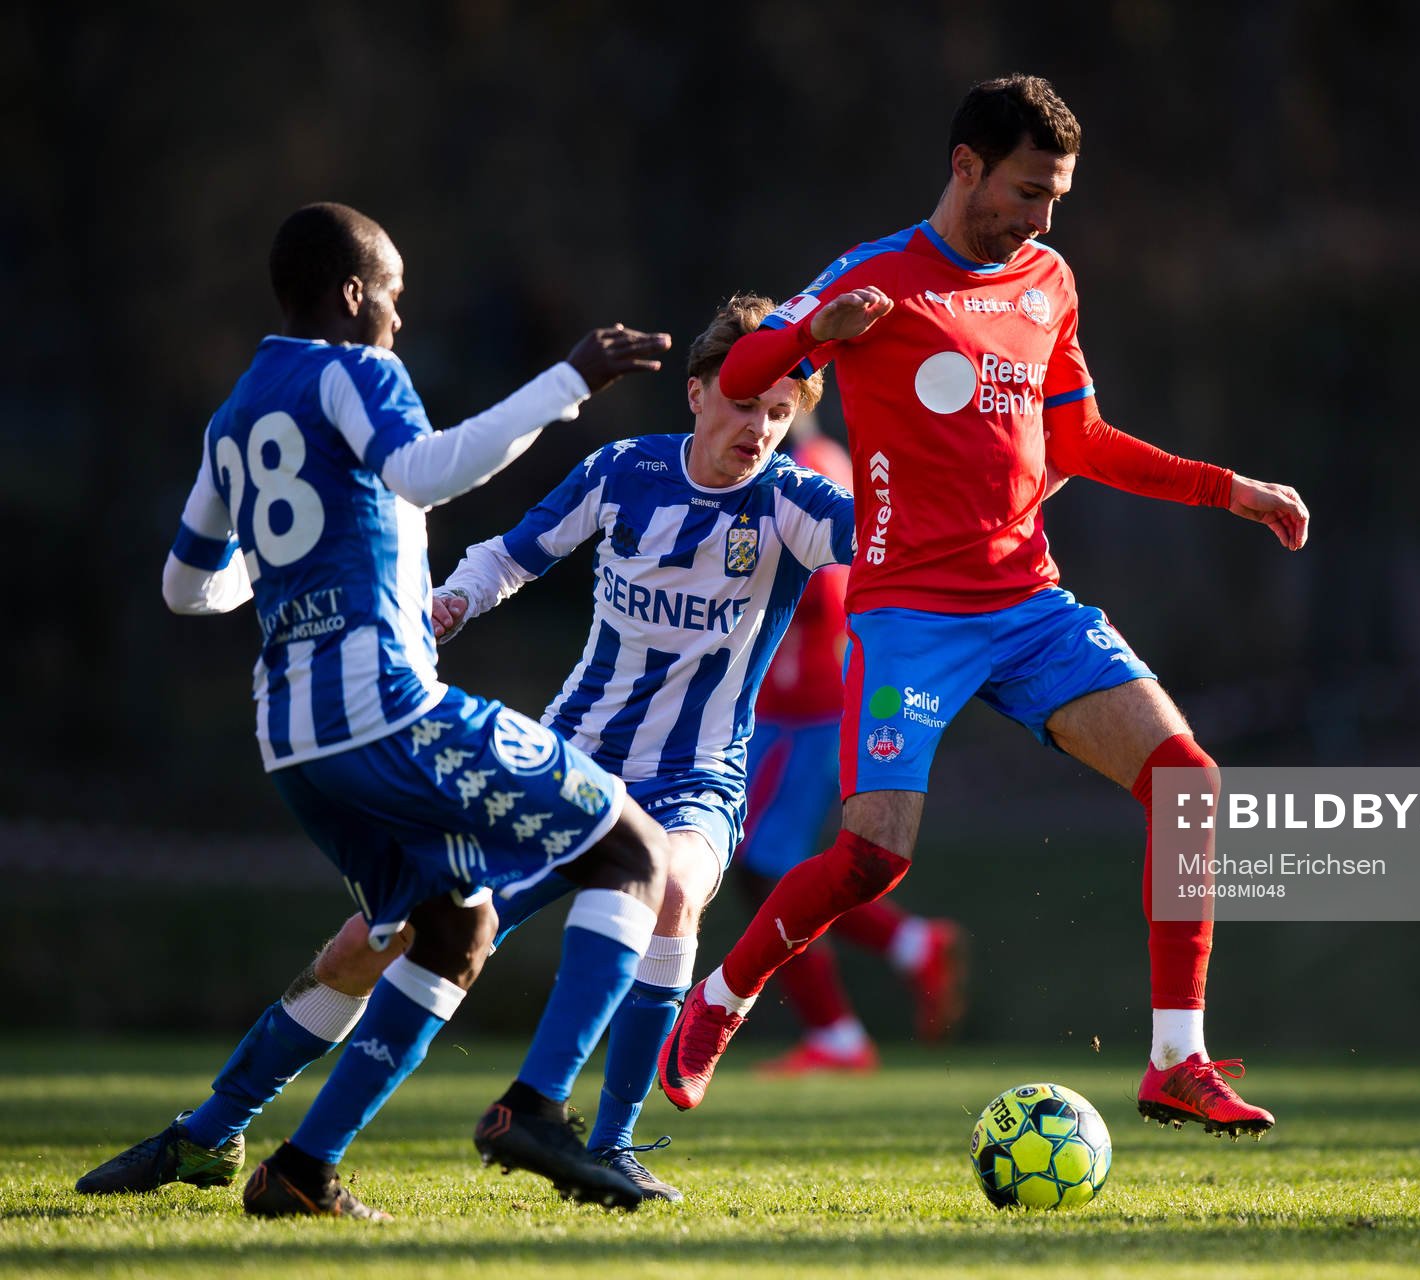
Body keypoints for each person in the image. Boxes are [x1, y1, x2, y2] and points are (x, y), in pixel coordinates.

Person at [80, 291, 853, 1209]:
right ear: (695, 393)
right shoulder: (622, 473)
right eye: (743, 402)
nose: (758, 428)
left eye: (778, 413)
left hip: (696, 778)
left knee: (674, 885)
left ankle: (608, 1146)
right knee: (391, 937)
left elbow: (890, 546)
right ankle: (205, 1133)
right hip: (576, 753)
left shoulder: (796, 503)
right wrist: (452, 600)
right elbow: (511, 555)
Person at [656, 74, 1310, 1138]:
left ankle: (1176, 1059)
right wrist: (825, 322)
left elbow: (1080, 441)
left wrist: (1226, 487)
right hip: (910, 614)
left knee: (1188, 782)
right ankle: (720, 1000)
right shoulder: (875, 275)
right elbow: (751, 364)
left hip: (1029, 599)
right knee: (875, 856)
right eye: (1026, 191)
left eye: (1055, 196)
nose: (1042, 218)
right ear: (964, 167)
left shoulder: (1048, 276)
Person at [125, 201, 679, 1219]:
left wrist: (299, 562)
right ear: (351, 294)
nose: (397, 316)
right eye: (392, 293)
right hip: (388, 711)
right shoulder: (355, 371)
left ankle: (301, 1168)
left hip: (294, 744)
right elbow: (424, 470)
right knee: (633, 852)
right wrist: (571, 382)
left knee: (455, 928)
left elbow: (185, 588)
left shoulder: (234, 414)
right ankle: (539, 1106)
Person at [734, 421, 966, 1076]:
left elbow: (835, 588)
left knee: (763, 863)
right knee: (759, 864)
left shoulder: (807, 468)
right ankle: (907, 946)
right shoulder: (817, 459)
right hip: (787, 706)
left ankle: (839, 1031)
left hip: (806, 705)